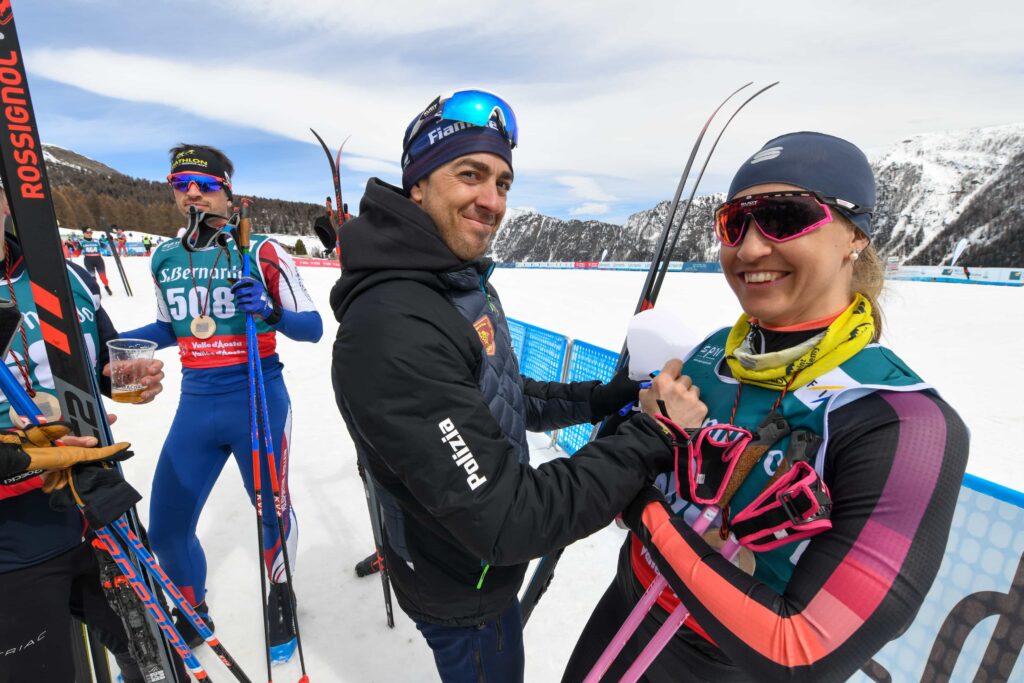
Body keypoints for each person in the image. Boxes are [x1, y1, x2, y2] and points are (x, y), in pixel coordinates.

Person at [561, 132, 970, 682]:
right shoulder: (710, 354)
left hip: (721, 668)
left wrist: (641, 509)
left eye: (785, 216)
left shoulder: (904, 422)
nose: (750, 249)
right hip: (624, 611)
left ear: (854, 236)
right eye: (735, 223)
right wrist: (631, 442)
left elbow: (799, 652)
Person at [330, 89, 685, 683]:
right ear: (417, 183)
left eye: (502, 182)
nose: (491, 200)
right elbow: (510, 519)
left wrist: (602, 396)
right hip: (463, 590)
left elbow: (504, 395)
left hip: (472, 565)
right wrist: (650, 436)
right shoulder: (394, 325)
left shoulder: (455, 282)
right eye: (470, 174)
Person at [119, 144, 323, 657]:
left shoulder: (261, 251)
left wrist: (272, 313)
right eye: (179, 183)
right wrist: (104, 341)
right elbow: (169, 327)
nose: (191, 193)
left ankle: (282, 596)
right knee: (166, 528)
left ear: (226, 191)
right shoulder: (166, 257)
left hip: (256, 397)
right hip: (196, 403)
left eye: (204, 184)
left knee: (271, 514)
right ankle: (192, 609)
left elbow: (314, 328)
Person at [0, 194, 169, 681]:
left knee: (156, 661)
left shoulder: (63, 275)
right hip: (13, 544)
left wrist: (123, 376)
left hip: (98, 507)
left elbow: (96, 367)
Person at [79, 226, 113, 295]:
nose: (89, 234)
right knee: (92, 278)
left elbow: (106, 247)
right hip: (88, 260)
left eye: (91, 232)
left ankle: (107, 286)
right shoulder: (81, 242)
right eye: (87, 232)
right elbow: (76, 252)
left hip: (98, 260)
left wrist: (112, 250)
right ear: (84, 233)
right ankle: (96, 291)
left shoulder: (96, 241)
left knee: (103, 277)